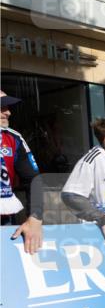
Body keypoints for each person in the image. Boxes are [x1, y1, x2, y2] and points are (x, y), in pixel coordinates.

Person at [1, 90, 43, 254]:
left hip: (4, 220)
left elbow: (34, 180)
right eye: (1, 107)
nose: (8, 112)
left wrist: (35, 218)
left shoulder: (13, 137)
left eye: (7, 107)